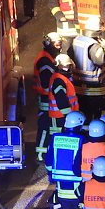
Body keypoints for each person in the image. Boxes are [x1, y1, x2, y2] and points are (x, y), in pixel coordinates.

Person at [45, 110, 85, 209]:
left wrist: (50, 175)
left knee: (65, 207)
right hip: (76, 181)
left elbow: (49, 160)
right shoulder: (81, 140)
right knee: (79, 206)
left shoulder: (56, 138)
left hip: (60, 182)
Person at [71, 16, 105, 120]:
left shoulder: (77, 40)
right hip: (94, 89)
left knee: (83, 116)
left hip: (78, 87)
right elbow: (101, 60)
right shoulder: (93, 45)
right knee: (98, 116)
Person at [33, 32, 63, 164]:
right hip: (46, 99)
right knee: (45, 127)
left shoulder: (48, 57)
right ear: (49, 44)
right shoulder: (45, 61)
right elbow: (47, 82)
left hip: (47, 98)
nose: (59, 47)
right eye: (57, 44)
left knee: (47, 127)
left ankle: (44, 152)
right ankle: (40, 155)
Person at [47, 54, 80, 137]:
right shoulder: (59, 80)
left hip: (64, 116)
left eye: (68, 65)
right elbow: (61, 99)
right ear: (58, 66)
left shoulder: (64, 78)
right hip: (60, 117)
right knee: (58, 139)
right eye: (64, 66)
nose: (67, 68)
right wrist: (68, 116)